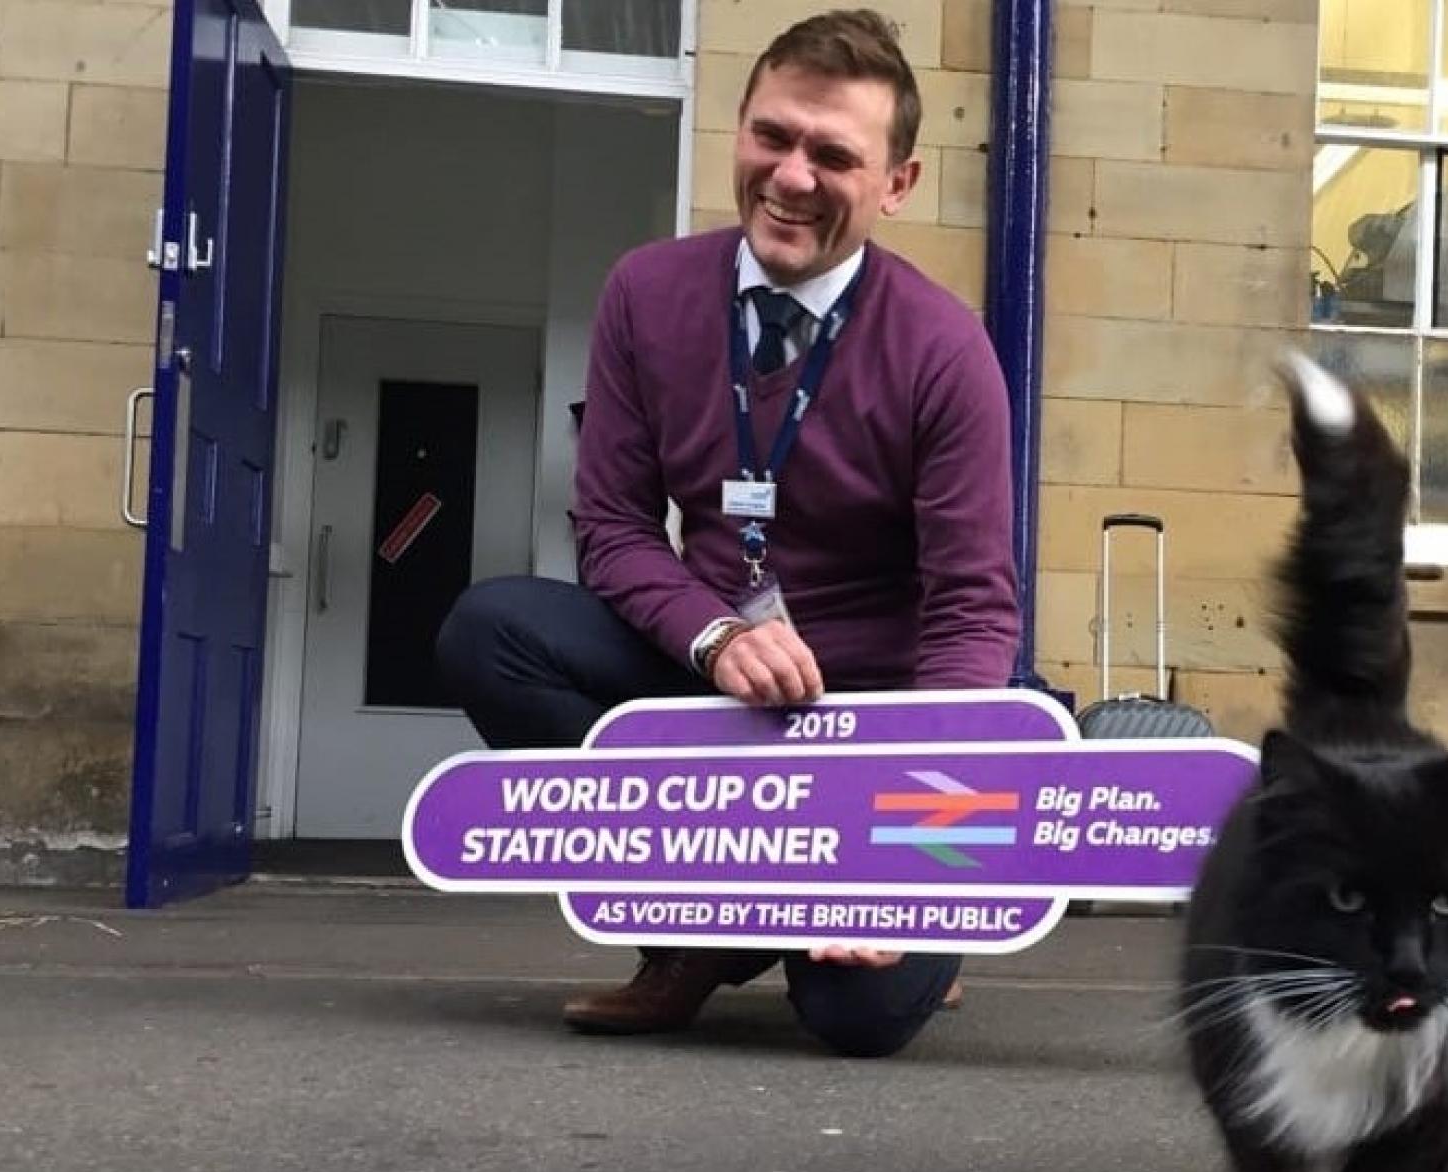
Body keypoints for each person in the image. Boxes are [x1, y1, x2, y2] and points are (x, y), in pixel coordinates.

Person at [436, 8, 1019, 1058]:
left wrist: (911, 864)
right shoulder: (645, 293)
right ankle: (705, 914)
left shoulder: (946, 349)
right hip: (701, 678)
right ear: (740, 127)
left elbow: (972, 608)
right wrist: (713, 637)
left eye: (832, 155)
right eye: (770, 136)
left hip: (872, 725)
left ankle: (770, 921)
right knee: (491, 630)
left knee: (859, 1021)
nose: (789, 177)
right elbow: (611, 526)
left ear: (896, 184)